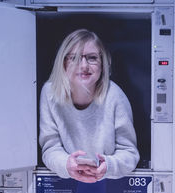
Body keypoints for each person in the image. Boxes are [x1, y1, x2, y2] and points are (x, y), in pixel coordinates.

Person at [39, 29, 140, 183]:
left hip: (110, 182)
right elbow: (50, 148)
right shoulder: (50, 93)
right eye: (75, 58)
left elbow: (129, 153)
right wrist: (67, 165)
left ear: (102, 63)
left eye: (92, 58)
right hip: (66, 180)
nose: (84, 65)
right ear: (63, 62)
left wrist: (109, 166)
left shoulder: (114, 95)